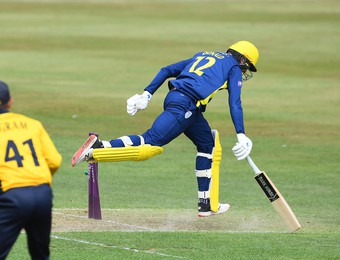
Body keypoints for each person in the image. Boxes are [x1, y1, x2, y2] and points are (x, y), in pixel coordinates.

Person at [71, 41, 259, 217]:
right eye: (247, 68)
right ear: (242, 59)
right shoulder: (233, 67)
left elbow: (167, 70)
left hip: (182, 103)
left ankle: (206, 204)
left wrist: (147, 94)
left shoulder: (203, 55)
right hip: (185, 106)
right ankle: (100, 146)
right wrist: (241, 134)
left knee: (207, 145)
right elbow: (235, 102)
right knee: (150, 142)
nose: (244, 73)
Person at [0, 81, 62, 259]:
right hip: (42, 193)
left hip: (12, 197)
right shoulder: (33, 124)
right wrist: (36, 179)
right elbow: (55, 161)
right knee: (40, 255)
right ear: (10, 102)